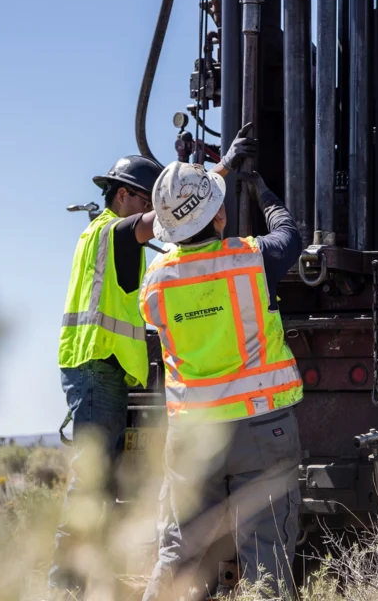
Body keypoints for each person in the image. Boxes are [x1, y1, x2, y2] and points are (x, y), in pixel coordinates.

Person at [49, 127, 256, 599]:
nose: (152, 209)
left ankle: (81, 584)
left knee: (98, 491)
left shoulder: (96, 236)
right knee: (91, 489)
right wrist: (220, 170)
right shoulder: (115, 232)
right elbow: (173, 220)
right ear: (123, 196)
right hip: (99, 373)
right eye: (146, 199)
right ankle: (65, 588)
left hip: (96, 373)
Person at [139, 152, 304, 600]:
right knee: (266, 557)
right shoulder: (252, 259)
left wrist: (222, 170)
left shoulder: (155, 283)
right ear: (220, 216)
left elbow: (189, 225)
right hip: (260, 428)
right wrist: (263, 191)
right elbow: (291, 236)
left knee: (180, 553)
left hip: (192, 434)